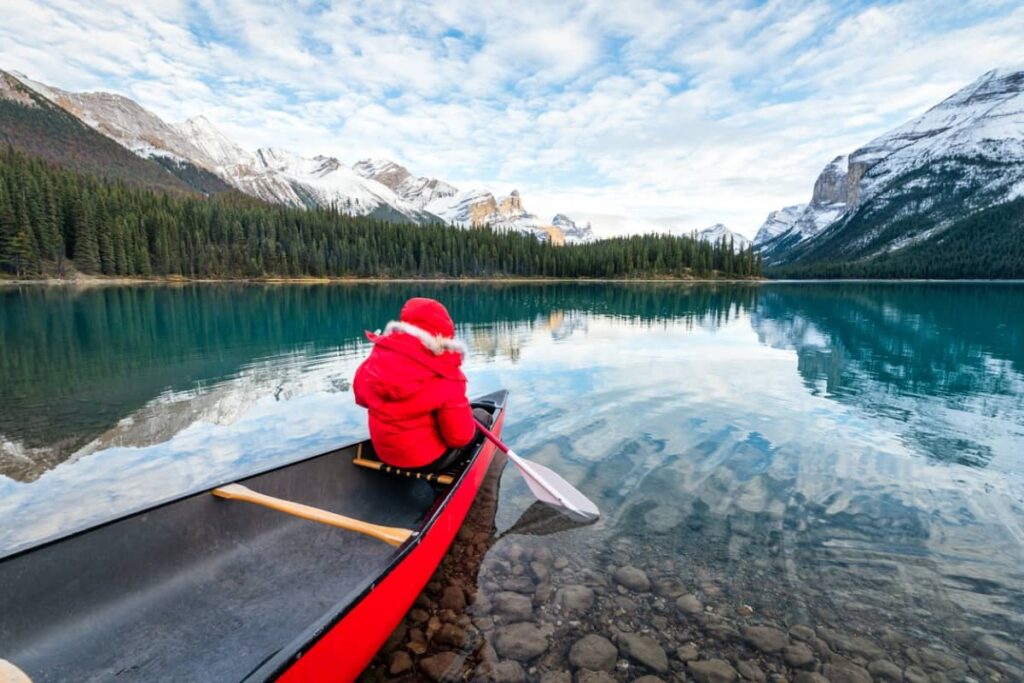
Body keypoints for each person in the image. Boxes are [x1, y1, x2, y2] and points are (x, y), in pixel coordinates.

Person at [353, 297, 492, 472]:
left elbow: (361, 398)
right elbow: (459, 439)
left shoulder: (374, 362)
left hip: (384, 453)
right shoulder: (447, 375)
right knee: (482, 416)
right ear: (444, 334)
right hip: (427, 462)